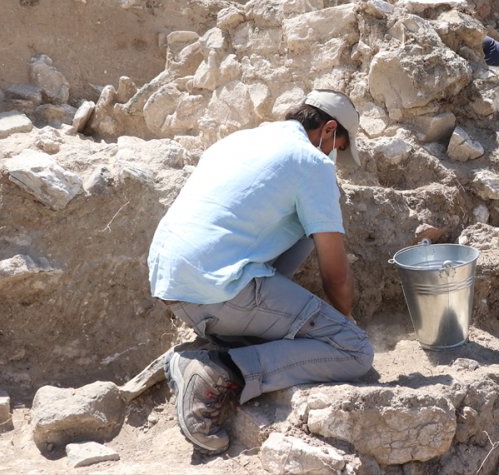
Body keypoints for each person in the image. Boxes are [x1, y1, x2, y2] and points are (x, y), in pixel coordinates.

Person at [147, 90, 374, 454]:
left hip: (174, 285)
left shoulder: (239, 140)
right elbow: (335, 274)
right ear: (328, 129)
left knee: (305, 222)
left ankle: (215, 347)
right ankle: (219, 370)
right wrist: (344, 323)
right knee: (355, 351)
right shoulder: (310, 163)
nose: (335, 156)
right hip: (219, 289)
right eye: (339, 146)